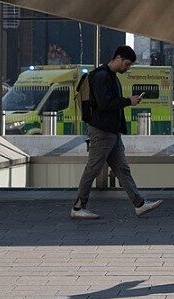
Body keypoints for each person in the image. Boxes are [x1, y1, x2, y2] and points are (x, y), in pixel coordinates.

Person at [70, 45, 164, 221]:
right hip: (102, 131)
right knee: (93, 169)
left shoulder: (110, 76)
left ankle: (139, 205)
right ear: (118, 58)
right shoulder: (102, 77)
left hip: (111, 132)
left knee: (122, 169)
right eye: (127, 64)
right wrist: (129, 101)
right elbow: (105, 103)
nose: (127, 68)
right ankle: (78, 206)